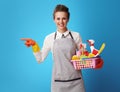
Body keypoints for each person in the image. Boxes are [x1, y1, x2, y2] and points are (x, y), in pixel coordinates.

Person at [21, 4, 85, 92]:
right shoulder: (49, 38)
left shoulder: (76, 36)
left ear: (68, 19)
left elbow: (83, 57)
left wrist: (94, 60)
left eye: (64, 18)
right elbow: (40, 59)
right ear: (54, 19)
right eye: (58, 18)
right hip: (58, 83)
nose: (61, 22)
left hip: (76, 81)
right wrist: (34, 45)